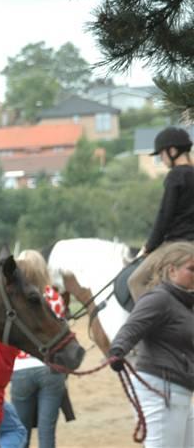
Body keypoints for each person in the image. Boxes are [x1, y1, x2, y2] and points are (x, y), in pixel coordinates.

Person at [108, 241, 194, 448]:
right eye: (191, 269)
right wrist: (118, 350)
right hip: (160, 391)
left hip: (180, 391)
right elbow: (130, 329)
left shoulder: (185, 303)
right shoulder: (158, 298)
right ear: (171, 270)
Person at [10, 250, 69, 448]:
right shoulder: (54, 296)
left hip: (21, 368)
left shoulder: (16, 298)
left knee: (21, 431)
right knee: (47, 432)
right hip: (51, 367)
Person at [128, 126, 194, 301]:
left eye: (162, 154)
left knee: (135, 281)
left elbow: (165, 216)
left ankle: (151, 323)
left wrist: (149, 246)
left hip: (176, 245)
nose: (162, 160)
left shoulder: (175, 176)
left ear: (172, 151)